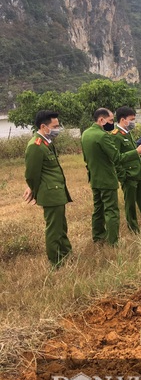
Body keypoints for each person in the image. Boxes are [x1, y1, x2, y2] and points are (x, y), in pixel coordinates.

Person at [81, 108, 141, 245]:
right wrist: (136, 152)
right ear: (101, 120)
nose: (112, 123)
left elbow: (86, 158)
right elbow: (117, 157)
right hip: (106, 178)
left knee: (98, 209)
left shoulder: (86, 134)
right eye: (110, 120)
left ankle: (98, 236)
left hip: (94, 177)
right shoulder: (103, 136)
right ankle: (113, 241)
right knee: (111, 210)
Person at [24, 110, 72, 266]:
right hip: (50, 193)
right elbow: (32, 174)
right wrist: (34, 190)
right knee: (54, 229)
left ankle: (66, 253)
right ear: (43, 126)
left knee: (61, 225)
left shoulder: (46, 142)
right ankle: (56, 261)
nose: (58, 129)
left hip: (57, 191)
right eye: (55, 126)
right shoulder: (35, 146)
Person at [111, 106, 141, 233]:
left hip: (139, 173)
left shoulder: (128, 133)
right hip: (129, 175)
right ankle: (134, 229)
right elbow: (117, 158)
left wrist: (140, 153)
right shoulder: (116, 136)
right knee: (130, 205)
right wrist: (123, 176)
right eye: (132, 119)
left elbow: (133, 153)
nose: (133, 122)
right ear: (123, 119)